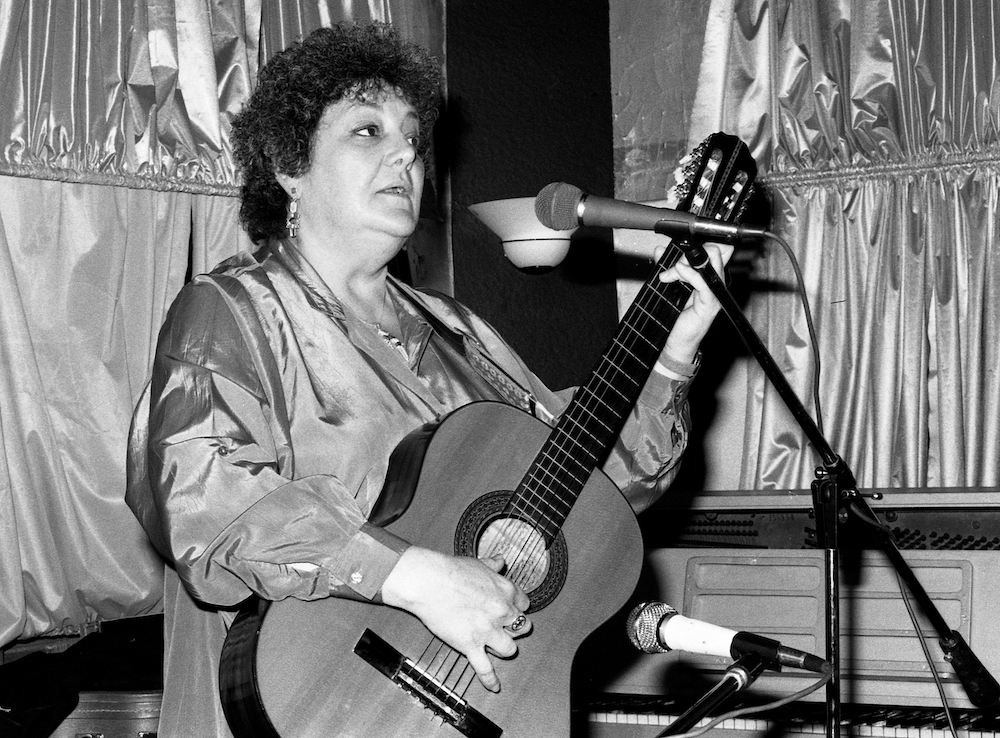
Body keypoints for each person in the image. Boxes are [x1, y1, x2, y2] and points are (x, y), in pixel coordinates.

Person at [125, 21, 733, 738]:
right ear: (290, 166)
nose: (407, 151)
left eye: (412, 136)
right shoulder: (230, 310)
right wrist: (411, 574)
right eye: (367, 131)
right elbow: (198, 491)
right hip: (288, 708)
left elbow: (590, 491)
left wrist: (670, 355)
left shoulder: (460, 331)